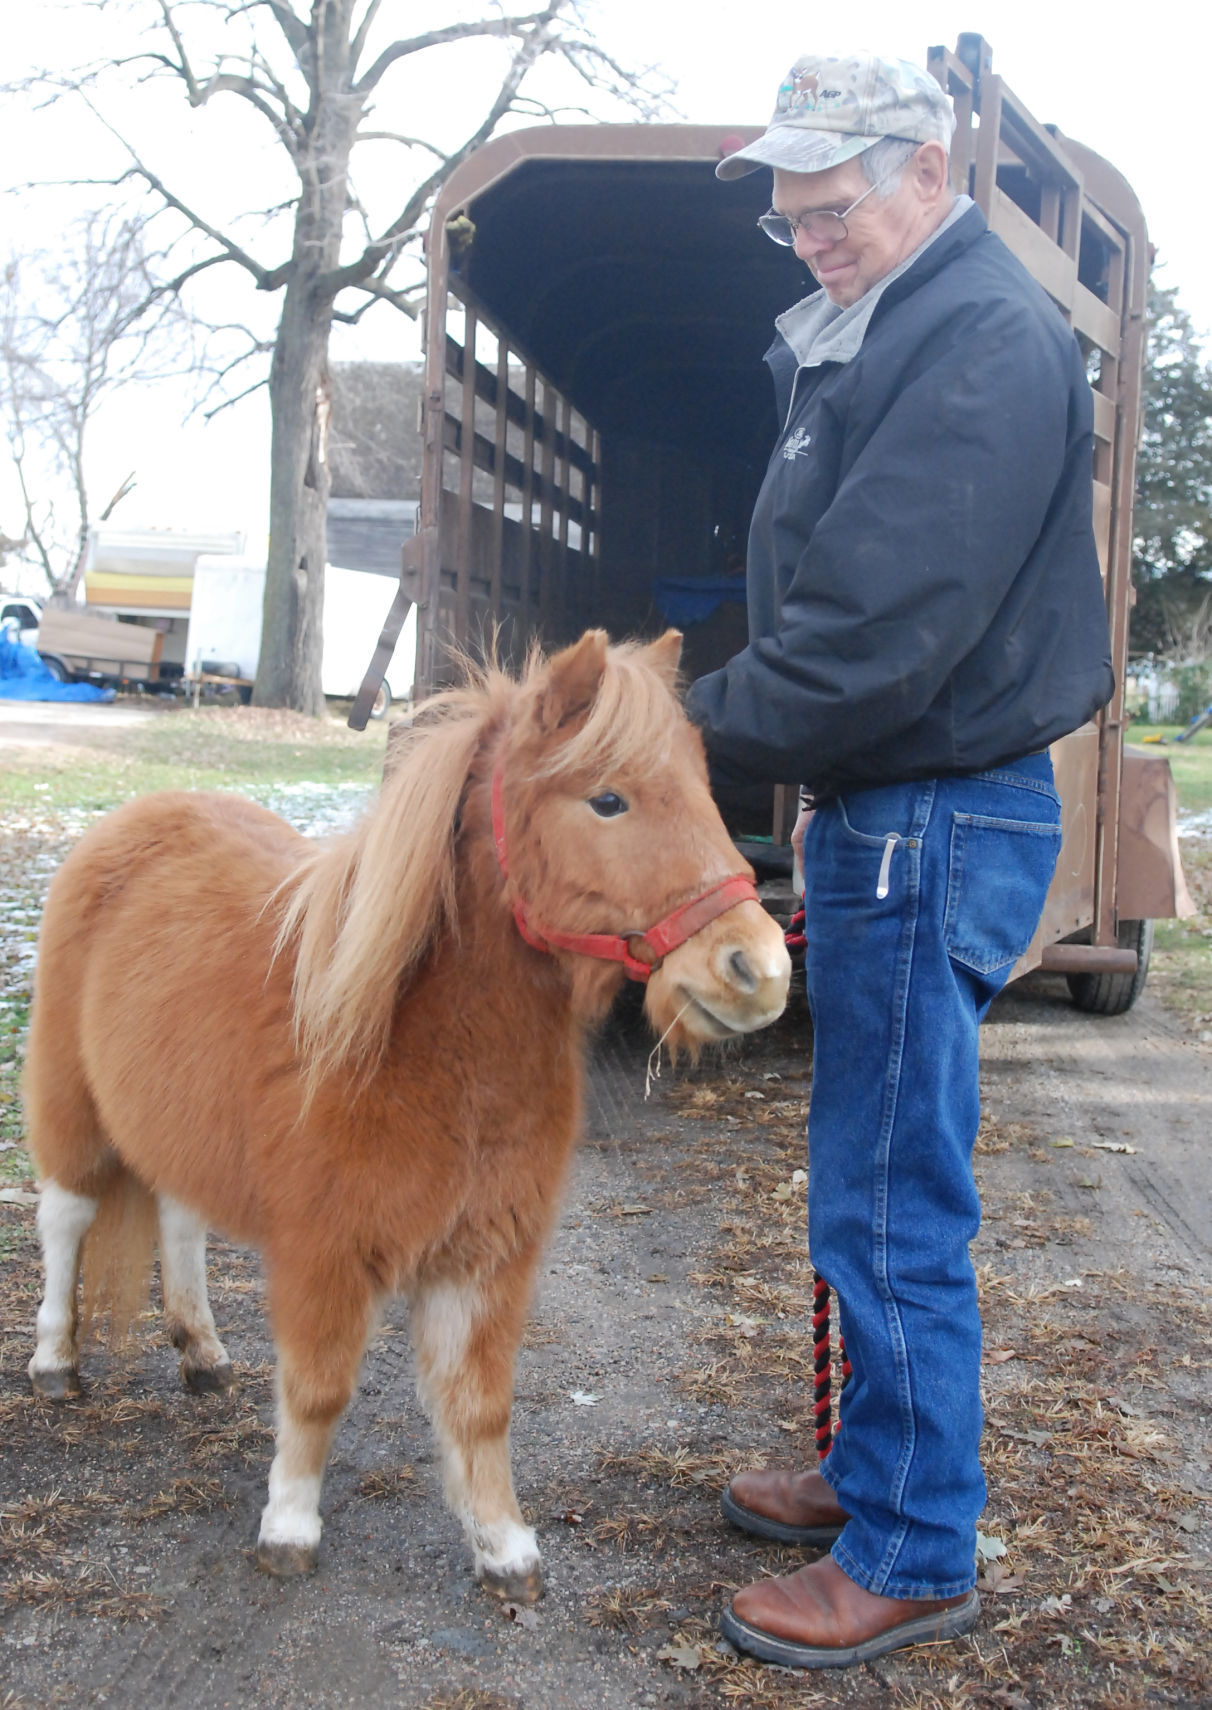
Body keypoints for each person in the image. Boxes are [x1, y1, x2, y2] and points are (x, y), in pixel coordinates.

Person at [686, 50, 1113, 1670]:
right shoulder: (893, 326)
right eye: (791, 218)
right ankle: (874, 1474)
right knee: (863, 1175)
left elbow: (870, 632)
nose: (810, 238)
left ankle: (921, 1543)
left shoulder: (983, 343)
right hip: (891, 806)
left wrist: (670, 732)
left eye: (835, 205)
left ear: (929, 174)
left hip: (935, 810)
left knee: (888, 1197)